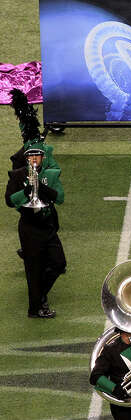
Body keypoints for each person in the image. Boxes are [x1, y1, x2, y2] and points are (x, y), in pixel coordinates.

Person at [5, 100, 65, 318]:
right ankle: (36, 306)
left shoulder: (48, 170)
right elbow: (10, 201)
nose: (35, 158)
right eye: (31, 155)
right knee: (33, 270)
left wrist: (43, 186)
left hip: (47, 222)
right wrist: (28, 189)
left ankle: (40, 294)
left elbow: (60, 197)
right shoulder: (18, 173)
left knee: (58, 263)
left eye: (38, 155)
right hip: (30, 226)